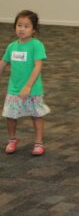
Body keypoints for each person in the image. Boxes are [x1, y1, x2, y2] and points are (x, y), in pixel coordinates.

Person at [0, 10, 50, 156]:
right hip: (14, 89)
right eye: (19, 25)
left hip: (32, 89)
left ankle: (39, 142)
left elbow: (38, 66)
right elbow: (3, 63)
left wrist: (28, 86)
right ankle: (12, 139)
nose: (21, 29)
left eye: (26, 26)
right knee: (10, 116)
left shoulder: (36, 45)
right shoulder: (12, 47)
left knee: (36, 115)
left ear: (33, 29)